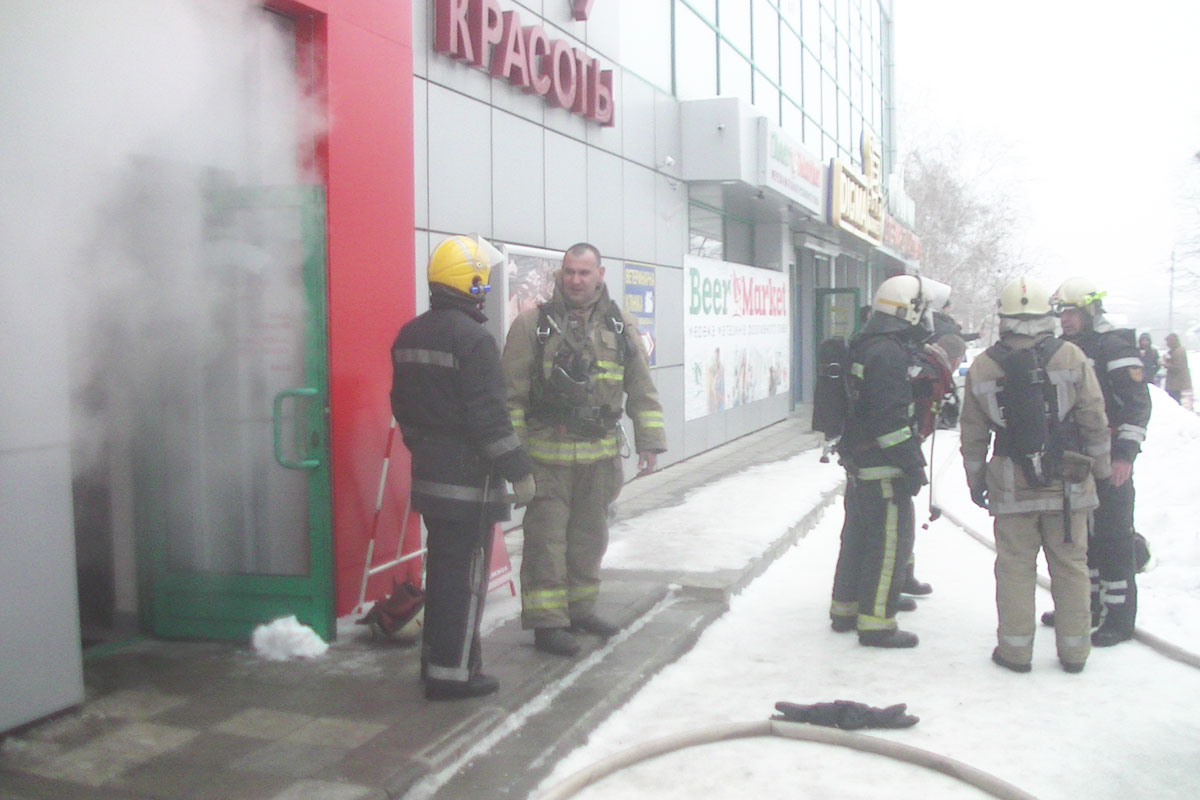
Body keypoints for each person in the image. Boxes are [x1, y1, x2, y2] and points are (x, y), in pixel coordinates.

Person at [502, 243, 666, 657]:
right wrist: (517, 460)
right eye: (569, 272)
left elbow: (641, 388)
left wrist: (650, 443)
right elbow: (511, 399)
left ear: (600, 274)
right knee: (546, 543)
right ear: (560, 274)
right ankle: (547, 623)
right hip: (547, 460)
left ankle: (580, 611)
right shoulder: (530, 326)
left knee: (589, 540)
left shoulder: (620, 325)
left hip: (600, 458)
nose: (576, 280)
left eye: (584, 273)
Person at [390, 234, 536, 700]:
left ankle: (436, 661)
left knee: (444, 571)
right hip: (470, 483)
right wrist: (519, 469)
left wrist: (426, 446)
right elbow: (489, 417)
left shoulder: (410, 333)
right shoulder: (474, 339)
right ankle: (453, 675)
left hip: (430, 476)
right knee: (463, 580)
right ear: (470, 282)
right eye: (484, 280)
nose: (488, 288)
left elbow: (403, 408)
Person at [960, 276, 1111, 673]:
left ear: (1004, 316)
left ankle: (1015, 652)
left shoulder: (984, 364)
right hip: (1069, 483)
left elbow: (973, 434)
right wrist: (1102, 470)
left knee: (1014, 567)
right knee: (1070, 565)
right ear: (1049, 314)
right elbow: (1094, 418)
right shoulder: (1071, 357)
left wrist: (975, 481)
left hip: (1011, 484)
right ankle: (1075, 653)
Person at [829, 275, 947, 648]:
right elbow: (891, 419)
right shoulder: (889, 352)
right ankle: (877, 622)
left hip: (861, 461)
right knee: (889, 543)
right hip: (883, 465)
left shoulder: (866, 343)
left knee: (858, 539)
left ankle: (845, 609)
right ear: (908, 310)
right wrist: (912, 466)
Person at [1050, 278, 1152, 647]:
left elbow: (1138, 405)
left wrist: (1124, 455)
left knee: (1113, 538)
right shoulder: (1065, 349)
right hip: (1076, 459)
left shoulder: (1113, 346)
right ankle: (1086, 606)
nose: (1066, 320)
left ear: (1091, 310)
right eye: (1063, 313)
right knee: (1082, 536)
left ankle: (1119, 618)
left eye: (1073, 313)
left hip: (1110, 459)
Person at [904, 330, 967, 596]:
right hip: (900, 453)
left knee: (901, 519)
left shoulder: (920, 362)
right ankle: (897, 580)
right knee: (897, 523)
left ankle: (903, 575)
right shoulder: (932, 372)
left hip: (900, 450)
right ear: (954, 359)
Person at [1163, 332, 1191, 404]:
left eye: (1168, 342)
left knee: (1176, 401)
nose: (1167, 344)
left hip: (1178, 383)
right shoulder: (1174, 351)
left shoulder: (1179, 351)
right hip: (1176, 383)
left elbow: (1178, 367)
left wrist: (1165, 364)